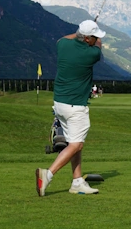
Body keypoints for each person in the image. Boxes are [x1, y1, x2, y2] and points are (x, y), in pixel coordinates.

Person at [36, 19, 106, 196]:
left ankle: (77, 182)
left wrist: (81, 32)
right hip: (75, 106)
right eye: (94, 36)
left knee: (74, 142)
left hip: (60, 104)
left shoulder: (63, 45)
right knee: (76, 144)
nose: (97, 39)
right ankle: (48, 175)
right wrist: (94, 37)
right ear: (88, 38)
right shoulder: (92, 54)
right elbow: (99, 46)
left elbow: (64, 38)